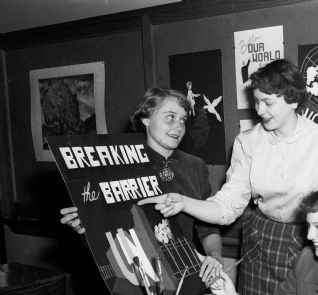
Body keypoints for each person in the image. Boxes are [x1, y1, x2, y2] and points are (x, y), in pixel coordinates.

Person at [138, 59, 318, 295]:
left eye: (268, 102)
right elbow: (227, 206)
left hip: (313, 241)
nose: (260, 111)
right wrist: (184, 202)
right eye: (257, 101)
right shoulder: (247, 142)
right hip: (263, 241)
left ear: (293, 101)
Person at [60, 87, 224, 281]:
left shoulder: (195, 166)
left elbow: (208, 228)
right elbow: (102, 236)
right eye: (170, 117)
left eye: (183, 120)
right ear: (146, 119)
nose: (179, 127)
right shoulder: (116, 164)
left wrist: (215, 258)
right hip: (132, 277)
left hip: (182, 273)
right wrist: (84, 226)